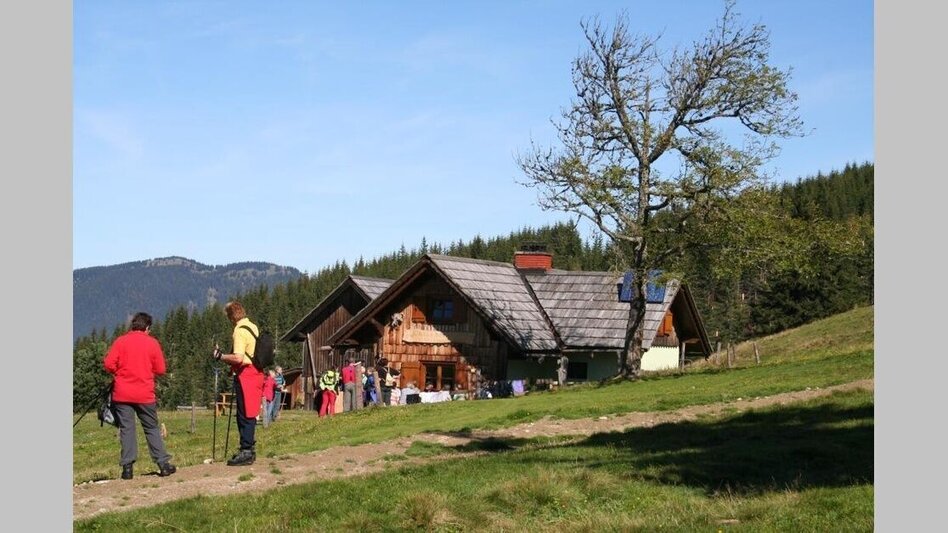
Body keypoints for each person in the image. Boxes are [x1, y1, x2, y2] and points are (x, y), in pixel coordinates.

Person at [103, 311, 176, 479]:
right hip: (144, 393)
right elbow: (161, 369)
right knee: (151, 428)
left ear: (133, 325)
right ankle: (163, 464)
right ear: (147, 327)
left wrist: (119, 372)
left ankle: (127, 469)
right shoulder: (152, 343)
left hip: (122, 393)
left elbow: (108, 364)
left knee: (127, 429)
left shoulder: (121, 341)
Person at [213, 300, 264, 466]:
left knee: (245, 414)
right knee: (250, 411)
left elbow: (239, 357)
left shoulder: (239, 331)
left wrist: (221, 356)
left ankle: (246, 450)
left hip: (246, 375)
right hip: (257, 372)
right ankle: (248, 448)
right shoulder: (252, 327)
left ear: (231, 316)